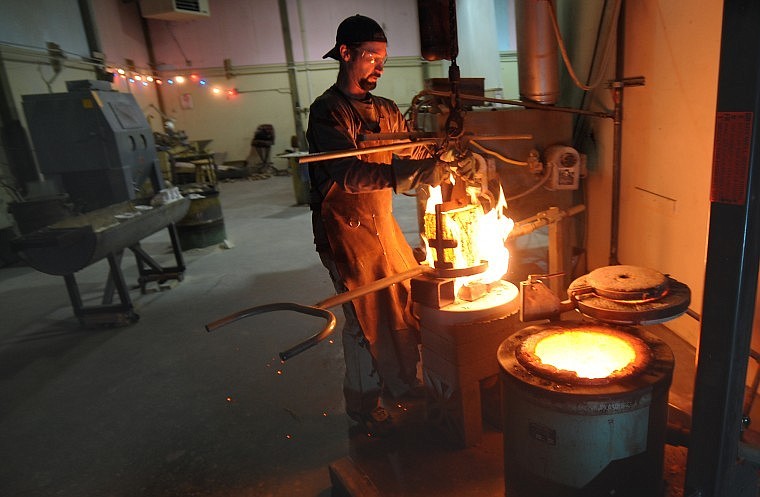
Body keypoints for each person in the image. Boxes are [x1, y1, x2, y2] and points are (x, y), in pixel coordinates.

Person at [306, 14, 471, 436]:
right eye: (372, 57)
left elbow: (411, 152)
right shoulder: (328, 111)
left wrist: (442, 156)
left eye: (384, 59)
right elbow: (349, 173)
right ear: (346, 54)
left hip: (381, 223)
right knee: (364, 318)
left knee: (401, 300)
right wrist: (408, 176)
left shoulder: (386, 109)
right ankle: (362, 407)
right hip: (344, 229)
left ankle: (401, 382)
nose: (379, 66)